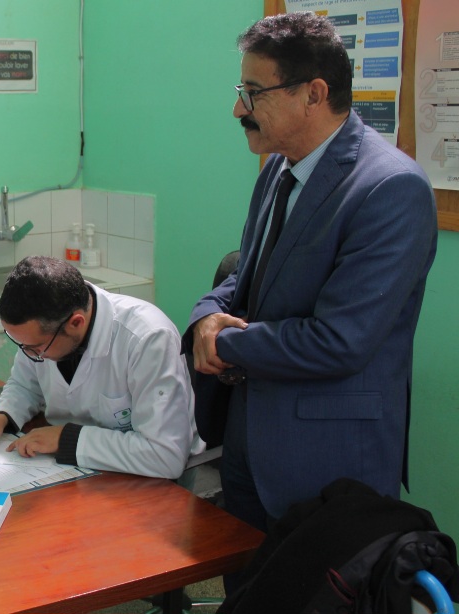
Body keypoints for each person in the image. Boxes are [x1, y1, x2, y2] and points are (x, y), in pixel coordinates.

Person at [186, 12, 438, 535]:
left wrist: (224, 343)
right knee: (247, 578)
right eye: (241, 91)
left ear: (313, 94)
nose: (238, 109)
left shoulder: (390, 188)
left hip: (327, 461)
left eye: (254, 93)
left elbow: (340, 340)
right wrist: (207, 317)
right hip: (249, 444)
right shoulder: (278, 168)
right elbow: (245, 274)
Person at [0, 256, 205, 479]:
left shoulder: (147, 338)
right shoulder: (46, 327)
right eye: (22, 346)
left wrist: (66, 438)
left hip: (154, 480)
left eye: (36, 347)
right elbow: (25, 385)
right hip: (73, 469)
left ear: (75, 323)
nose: (29, 354)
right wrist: (3, 415)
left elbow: (165, 455)